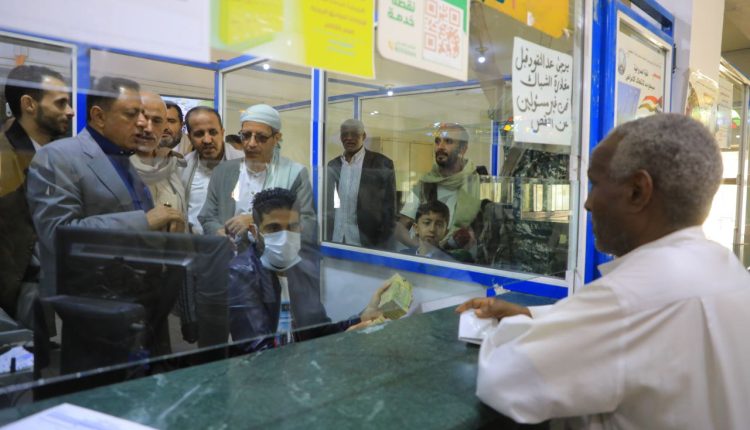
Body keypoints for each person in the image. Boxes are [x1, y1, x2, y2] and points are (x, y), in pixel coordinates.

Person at [456, 113, 750, 429]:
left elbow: (505, 381)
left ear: (637, 191)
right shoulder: (727, 269)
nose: (588, 203)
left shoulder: (629, 298)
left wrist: (504, 329)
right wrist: (529, 314)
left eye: (595, 184)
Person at [26, 76, 185, 296]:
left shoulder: (121, 156)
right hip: (90, 299)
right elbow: (58, 235)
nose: (142, 123)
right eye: (132, 114)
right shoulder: (57, 157)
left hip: (139, 293)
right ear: (99, 116)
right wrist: (145, 221)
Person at [228, 188, 387, 351]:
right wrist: (341, 342)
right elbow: (259, 351)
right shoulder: (241, 273)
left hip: (304, 362)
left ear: (300, 229)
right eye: (273, 228)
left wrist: (361, 319)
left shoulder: (302, 269)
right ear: (254, 231)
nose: (284, 237)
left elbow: (319, 331)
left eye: (292, 227)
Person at [0, 65, 74, 326]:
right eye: (61, 103)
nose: (70, 111)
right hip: (13, 298)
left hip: (48, 291)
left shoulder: (57, 157)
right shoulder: (4, 159)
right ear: (29, 104)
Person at [198, 104, 316, 245]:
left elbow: (307, 224)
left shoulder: (294, 173)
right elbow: (207, 217)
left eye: (261, 137)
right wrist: (218, 232)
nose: (251, 143)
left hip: (273, 255)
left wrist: (257, 220)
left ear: (276, 138)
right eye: (246, 135)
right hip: (229, 253)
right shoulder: (223, 172)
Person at [395, 122, 480, 252]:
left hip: (461, 260)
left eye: (448, 141)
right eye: (437, 141)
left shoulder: (477, 184)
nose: (440, 147)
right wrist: (424, 249)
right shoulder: (425, 183)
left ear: (463, 149)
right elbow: (401, 227)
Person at [325, 119, 396, 248]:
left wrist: (384, 246)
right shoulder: (333, 165)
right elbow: (328, 203)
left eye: (354, 134)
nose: (349, 138)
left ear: (364, 136)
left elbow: (389, 209)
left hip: (367, 243)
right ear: (340, 137)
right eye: (345, 134)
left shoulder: (381, 164)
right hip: (336, 239)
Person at [180, 106, 242, 234]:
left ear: (222, 132)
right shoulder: (182, 167)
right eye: (199, 134)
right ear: (189, 137)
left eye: (213, 132)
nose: (207, 140)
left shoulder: (244, 165)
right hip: (192, 243)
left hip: (233, 243)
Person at [130, 91, 186, 217]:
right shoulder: (114, 165)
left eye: (157, 120)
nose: (149, 129)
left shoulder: (170, 164)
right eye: (142, 119)